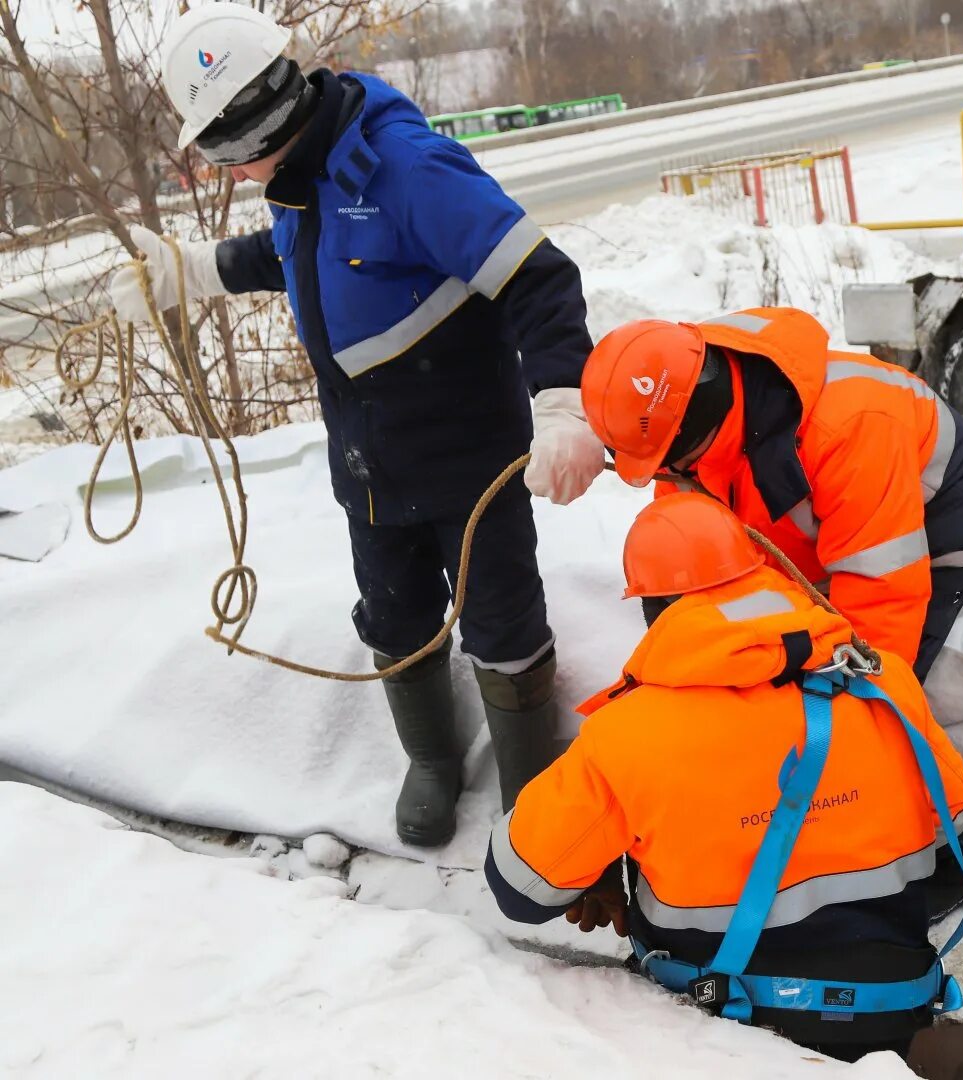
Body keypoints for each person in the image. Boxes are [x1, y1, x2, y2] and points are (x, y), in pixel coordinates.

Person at [108, 5, 606, 845]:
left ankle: (532, 792)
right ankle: (434, 762)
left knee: (500, 619)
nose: (230, 175)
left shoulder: (409, 171)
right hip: (370, 466)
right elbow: (296, 251)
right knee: (394, 615)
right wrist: (194, 273)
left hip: (468, 461)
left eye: (228, 155)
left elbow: (538, 276)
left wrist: (563, 404)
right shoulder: (300, 173)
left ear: (263, 121)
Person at [485, 494, 963, 1063]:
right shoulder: (883, 680)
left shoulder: (629, 736)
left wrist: (594, 864)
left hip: (718, 1028)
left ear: (654, 606)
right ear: (756, 573)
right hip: (888, 1006)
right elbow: (956, 823)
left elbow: (518, 889)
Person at [575, 307, 963, 904]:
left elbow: (882, 616)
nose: (662, 478)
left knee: (867, 706)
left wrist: (821, 688)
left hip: (942, 540)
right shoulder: (699, 411)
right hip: (831, 546)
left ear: (689, 430)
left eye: (663, 464)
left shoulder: (851, 426)